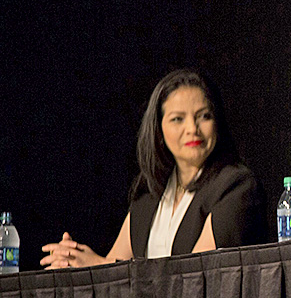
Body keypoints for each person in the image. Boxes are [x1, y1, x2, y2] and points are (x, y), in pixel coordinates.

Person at [41, 69, 267, 268]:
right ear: (158, 130)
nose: (192, 129)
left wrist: (99, 264)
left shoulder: (236, 186)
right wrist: (74, 260)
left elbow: (196, 276)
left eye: (204, 116)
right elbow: (112, 274)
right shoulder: (148, 194)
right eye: (178, 119)